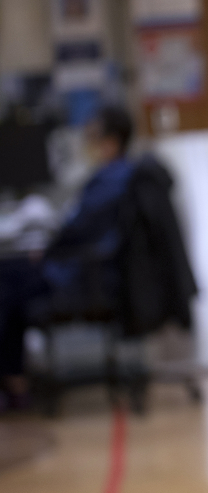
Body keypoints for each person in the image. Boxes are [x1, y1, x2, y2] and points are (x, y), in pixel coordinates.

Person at [0, 105, 135, 409]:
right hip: (84, 269)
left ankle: (14, 382)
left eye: (94, 136)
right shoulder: (117, 176)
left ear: (111, 141)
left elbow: (76, 229)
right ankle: (15, 380)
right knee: (11, 284)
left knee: (7, 282)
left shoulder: (111, 180)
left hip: (81, 276)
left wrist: (47, 250)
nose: (88, 143)